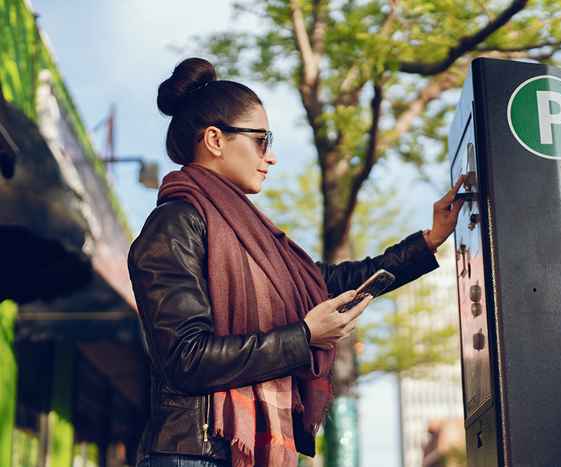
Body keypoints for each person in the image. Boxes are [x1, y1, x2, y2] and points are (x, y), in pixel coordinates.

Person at [127, 57, 466, 467]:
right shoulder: (174, 224)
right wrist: (303, 337)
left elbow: (327, 281)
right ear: (215, 140)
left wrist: (429, 241)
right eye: (261, 140)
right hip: (193, 455)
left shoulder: (253, 235)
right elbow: (187, 357)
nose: (270, 157)